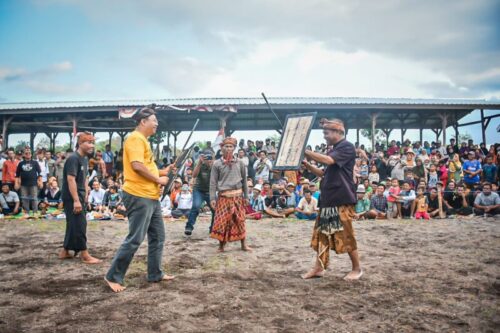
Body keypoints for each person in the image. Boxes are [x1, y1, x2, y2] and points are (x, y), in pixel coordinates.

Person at [105, 107, 175, 293]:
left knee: (158, 236)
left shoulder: (143, 140)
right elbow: (136, 166)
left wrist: (164, 172)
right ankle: (113, 276)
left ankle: (155, 273)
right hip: (138, 194)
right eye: (154, 120)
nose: (157, 124)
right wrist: (159, 179)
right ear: (143, 121)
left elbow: (147, 166)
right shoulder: (135, 139)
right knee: (135, 238)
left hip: (150, 196)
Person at [301, 118, 362, 280]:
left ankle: (357, 268)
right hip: (329, 198)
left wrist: (304, 150)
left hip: (341, 198)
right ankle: (319, 268)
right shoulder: (335, 149)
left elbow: (328, 161)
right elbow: (323, 173)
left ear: (338, 132)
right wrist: (307, 165)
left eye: (326, 133)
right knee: (322, 234)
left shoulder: (346, 147)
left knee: (346, 233)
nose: (324, 136)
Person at [59, 132, 101, 264]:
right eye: (89, 142)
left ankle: (65, 251)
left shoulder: (84, 158)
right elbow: (71, 180)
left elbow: (84, 179)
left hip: (80, 196)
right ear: (80, 143)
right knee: (80, 224)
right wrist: (76, 200)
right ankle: (84, 253)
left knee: (72, 224)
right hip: (72, 196)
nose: (92, 145)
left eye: (93, 142)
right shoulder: (73, 158)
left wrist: (86, 195)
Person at [209, 137, 251, 252]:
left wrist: (246, 196)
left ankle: (243, 245)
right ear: (222, 148)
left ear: (234, 148)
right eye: (226, 146)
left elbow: (244, 182)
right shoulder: (217, 164)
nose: (228, 148)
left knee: (240, 220)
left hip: (238, 196)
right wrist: (212, 198)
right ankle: (221, 246)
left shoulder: (240, 163)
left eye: (231, 146)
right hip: (223, 196)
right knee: (222, 222)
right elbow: (213, 183)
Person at [185, 151, 214, 236]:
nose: (208, 160)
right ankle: (189, 227)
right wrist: (200, 163)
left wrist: (212, 164)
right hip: (198, 190)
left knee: (215, 209)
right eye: (206, 158)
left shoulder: (215, 166)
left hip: (210, 191)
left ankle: (213, 229)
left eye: (210, 158)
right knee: (196, 206)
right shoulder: (200, 164)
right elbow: (194, 175)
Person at [15, 148, 43, 216]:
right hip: (23, 184)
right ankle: (26, 212)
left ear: (31, 154)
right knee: (24, 199)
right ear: (24, 154)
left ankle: (35, 212)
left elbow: (40, 173)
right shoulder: (20, 163)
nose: (28, 154)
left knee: (34, 198)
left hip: (33, 184)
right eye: (26, 153)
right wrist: (16, 183)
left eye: (29, 153)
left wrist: (40, 182)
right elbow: (17, 175)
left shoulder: (35, 163)